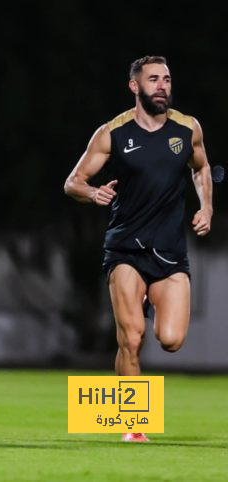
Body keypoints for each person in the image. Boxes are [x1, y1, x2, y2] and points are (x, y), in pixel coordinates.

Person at [64, 55, 213, 442]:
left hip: (169, 253)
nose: (162, 86)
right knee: (130, 337)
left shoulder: (187, 128)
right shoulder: (112, 133)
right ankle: (132, 425)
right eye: (153, 79)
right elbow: (73, 181)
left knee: (171, 340)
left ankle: (149, 304)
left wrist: (207, 206)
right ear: (135, 87)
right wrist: (91, 192)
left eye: (166, 79)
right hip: (125, 249)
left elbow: (201, 168)